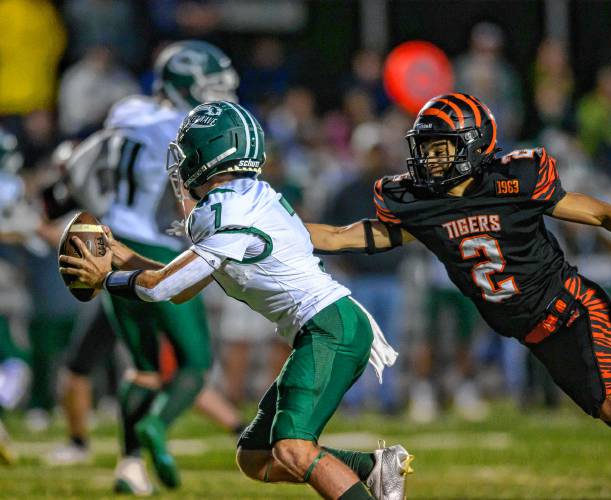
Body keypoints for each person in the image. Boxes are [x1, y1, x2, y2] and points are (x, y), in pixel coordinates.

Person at [305, 92, 611, 483]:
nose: (428, 159)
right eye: (425, 148)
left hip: (574, 308)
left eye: (440, 148)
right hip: (536, 336)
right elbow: (342, 236)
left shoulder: (514, 181)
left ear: (472, 144)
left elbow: (603, 214)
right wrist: (269, 228)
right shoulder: (421, 204)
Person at [60, 100, 413, 500]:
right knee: (255, 456)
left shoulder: (229, 214)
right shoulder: (244, 197)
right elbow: (182, 286)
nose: (180, 163)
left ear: (207, 157)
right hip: (326, 326)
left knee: (294, 450)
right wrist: (120, 253)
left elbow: (162, 287)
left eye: (187, 152)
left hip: (329, 326)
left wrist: (107, 279)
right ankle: (373, 467)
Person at [54, 40, 242, 494]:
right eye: (211, 86)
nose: (220, 95)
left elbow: (77, 167)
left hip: (111, 240)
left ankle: (130, 466)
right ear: (186, 85)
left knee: (141, 366)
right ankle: (155, 426)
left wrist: (92, 213)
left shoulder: (127, 111)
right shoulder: (186, 127)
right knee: (194, 363)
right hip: (161, 248)